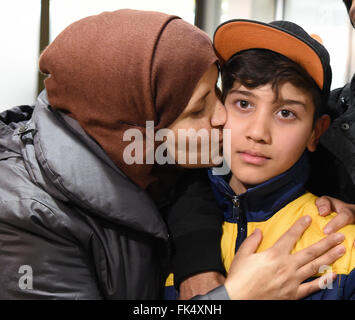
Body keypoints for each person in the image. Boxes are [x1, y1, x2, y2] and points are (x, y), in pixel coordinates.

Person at [0, 9, 347, 300]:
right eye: (200, 107)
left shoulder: (154, 173)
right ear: (139, 120)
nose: (224, 117)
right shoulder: (29, 216)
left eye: (216, 93)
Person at [167, 9, 355, 299]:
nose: (258, 132)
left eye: (285, 113)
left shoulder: (342, 245)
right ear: (219, 107)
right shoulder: (160, 229)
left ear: (316, 132)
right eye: (243, 104)